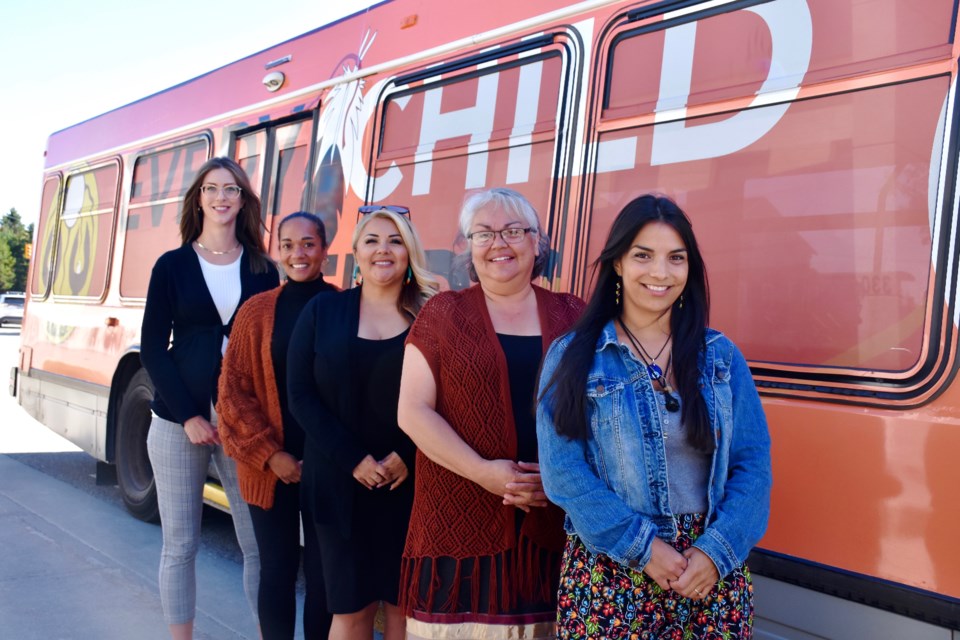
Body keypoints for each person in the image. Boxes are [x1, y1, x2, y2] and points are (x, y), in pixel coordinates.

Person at [536, 194, 772, 639]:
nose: (661, 272)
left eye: (676, 258)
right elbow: (564, 473)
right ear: (618, 264)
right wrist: (644, 549)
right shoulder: (574, 356)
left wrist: (717, 553)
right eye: (643, 256)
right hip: (610, 574)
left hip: (710, 576)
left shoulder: (720, 357)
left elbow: (753, 464)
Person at [396, 187, 584, 640]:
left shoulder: (574, 314)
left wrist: (558, 480)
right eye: (484, 233)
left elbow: (600, 416)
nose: (499, 243)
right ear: (467, 246)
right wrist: (484, 472)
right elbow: (412, 411)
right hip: (457, 528)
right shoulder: (442, 314)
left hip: (551, 525)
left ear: (537, 242)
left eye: (514, 231)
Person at [140, 156, 279, 639]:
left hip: (246, 427)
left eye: (232, 190)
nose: (222, 197)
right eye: (212, 188)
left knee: (259, 544)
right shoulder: (173, 265)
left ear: (244, 201)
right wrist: (189, 417)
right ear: (198, 198)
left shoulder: (264, 268)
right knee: (180, 544)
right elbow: (154, 348)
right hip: (179, 422)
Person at [287, 206, 439, 640]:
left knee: (403, 609)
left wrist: (407, 457)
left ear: (409, 254)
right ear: (355, 253)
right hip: (337, 485)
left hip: (410, 485)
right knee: (351, 609)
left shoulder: (431, 317)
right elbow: (300, 395)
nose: (383, 250)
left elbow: (445, 402)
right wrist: (353, 459)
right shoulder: (322, 311)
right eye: (371, 240)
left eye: (395, 241)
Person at [216, 212, 336, 639]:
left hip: (331, 469)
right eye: (287, 245)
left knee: (325, 579)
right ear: (277, 252)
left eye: (308, 243)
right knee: (278, 570)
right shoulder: (256, 312)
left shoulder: (345, 306)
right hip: (270, 469)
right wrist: (272, 455)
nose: (298, 253)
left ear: (325, 248)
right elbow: (232, 395)